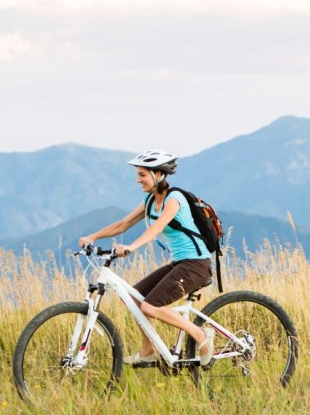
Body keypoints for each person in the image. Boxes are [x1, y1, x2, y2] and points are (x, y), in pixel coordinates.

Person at [79, 150, 215, 367]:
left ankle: (200, 335)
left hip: (196, 264)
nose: (138, 180)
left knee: (150, 307)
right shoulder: (150, 200)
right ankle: (148, 351)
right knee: (135, 297)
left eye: (142, 175)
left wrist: (132, 247)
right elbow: (123, 224)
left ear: (159, 174)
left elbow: (158, 227)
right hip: (180, 264)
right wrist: (92, 236)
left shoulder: (175, 199)